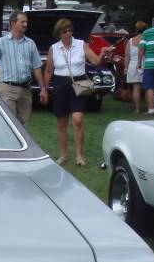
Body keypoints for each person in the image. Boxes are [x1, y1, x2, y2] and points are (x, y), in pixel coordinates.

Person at [43, 18, 114, 166]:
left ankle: (79, 156)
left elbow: (95, 61)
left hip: (79, 83)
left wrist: (102, 54)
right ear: (59, 33)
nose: (68, 33)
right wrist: (44, 89)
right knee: (62, 123)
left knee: (78, 119)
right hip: (60, 84)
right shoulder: (54, 48)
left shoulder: (82, 45)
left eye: (70, 30)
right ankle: (63, 156)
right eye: (65, 31)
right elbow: (49, 70)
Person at [0, 11, 45, 124]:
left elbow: (37, 67)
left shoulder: (30, 43)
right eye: (22, 22)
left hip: (25, 89)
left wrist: (43, 88)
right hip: (7, 89)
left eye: (26, 22)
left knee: (21, 125)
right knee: (9, 123)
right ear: (13, 24)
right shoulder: (1, 42)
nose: (25, 24)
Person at [123, 21, 148, 114]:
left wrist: (125, 67)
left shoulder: (130, 41)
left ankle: (137, 109)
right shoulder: (147, 40)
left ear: (136, 29)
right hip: (145, 64)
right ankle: (150, 108)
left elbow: (126, 56)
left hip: (133, 65)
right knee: (148, 88)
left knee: (136, 88)